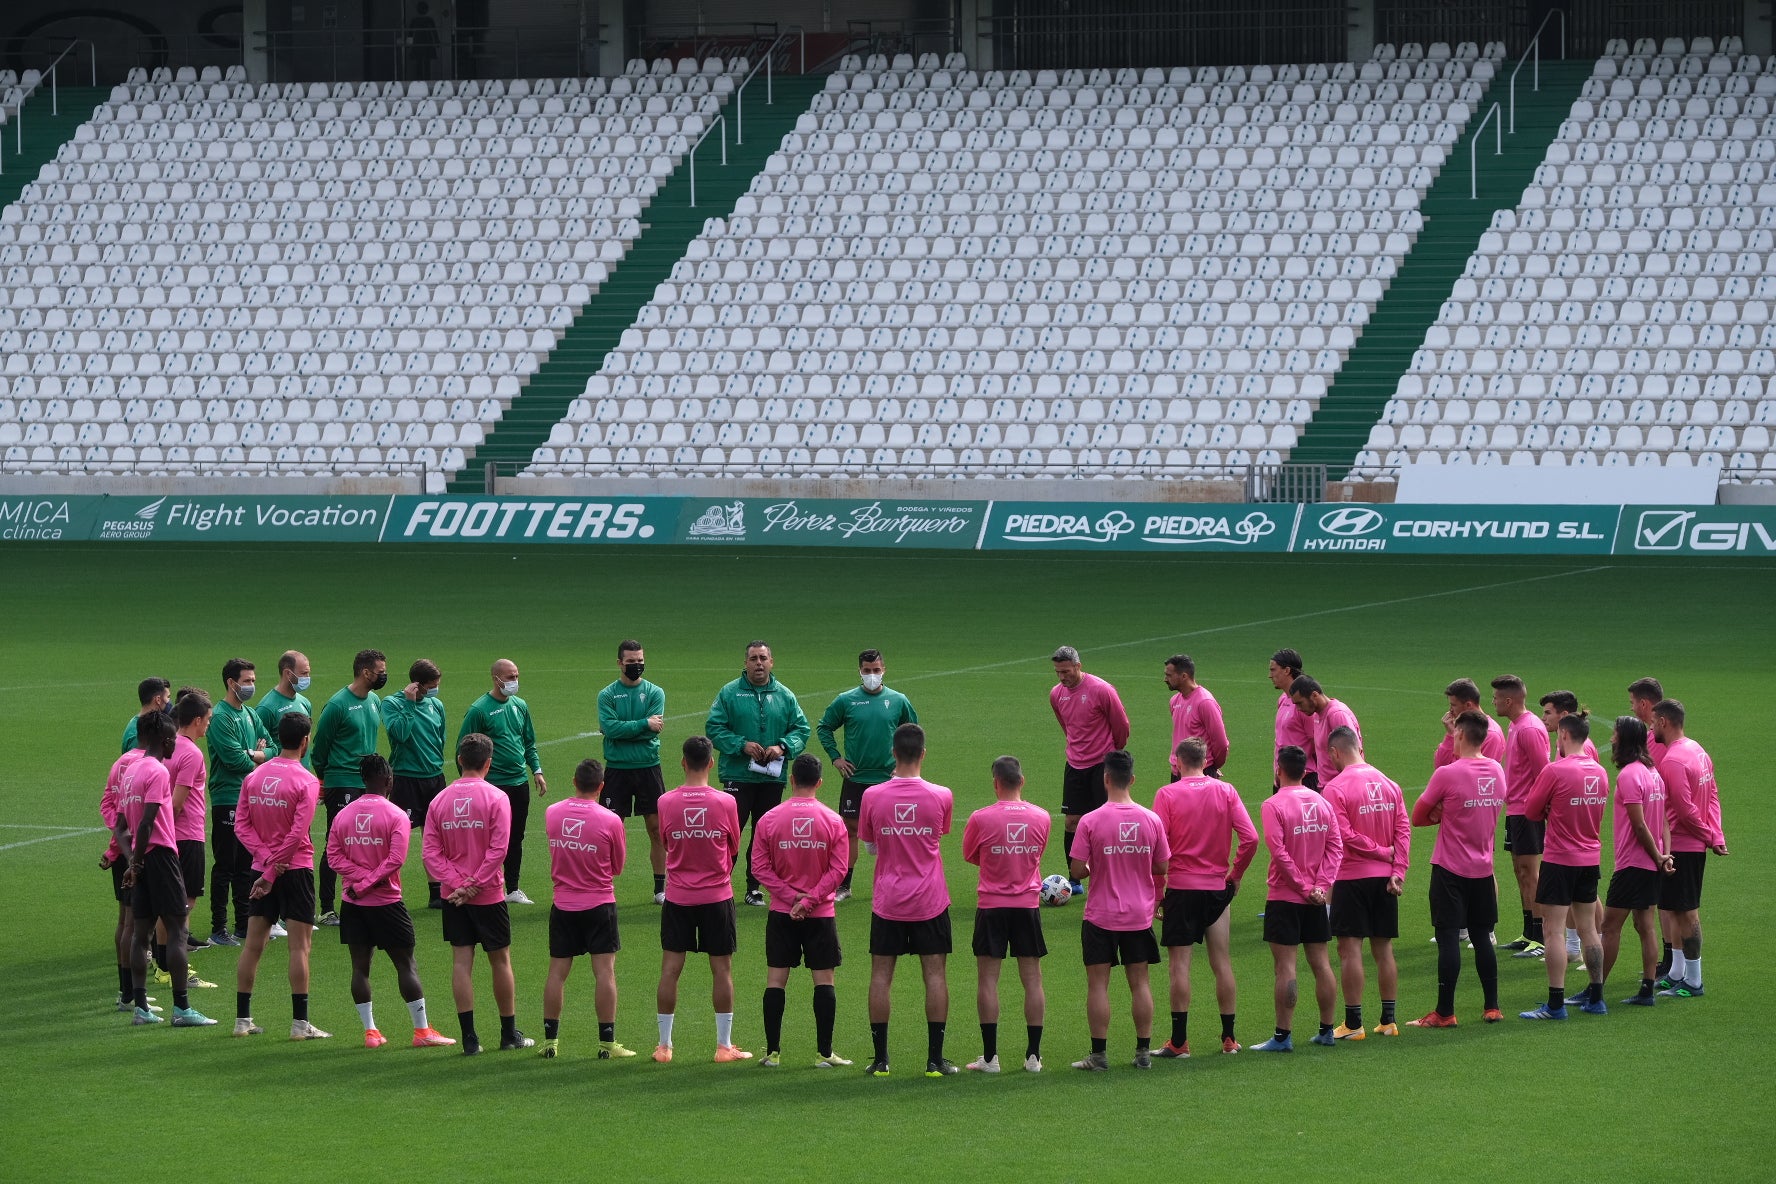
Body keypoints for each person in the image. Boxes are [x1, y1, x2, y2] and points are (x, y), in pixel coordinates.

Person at [324, 754, 455, 1049]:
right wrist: (370, 881)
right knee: (406, 965)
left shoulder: (343, 815)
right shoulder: (396, 815)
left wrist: (358, 881)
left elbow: (333, 857)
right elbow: (395, 859)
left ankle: (370, 1032)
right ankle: (422, 1032)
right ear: (388, 781)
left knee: (360, 968)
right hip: (386, 903)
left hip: (353, 903)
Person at [859, 722, 957, 1077]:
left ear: (893, 754)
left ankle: (881, 1060)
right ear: (923, 754)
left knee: (881, 976)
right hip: (930, 899)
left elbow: (870, 848)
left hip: (888, 900)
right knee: (934, 975)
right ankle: (934, 1060)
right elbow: (937, 837)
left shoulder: (872, 795)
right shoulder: (941, 795)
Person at [422, 733, 530, 1053]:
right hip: (488, 894)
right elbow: (499, 850)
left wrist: (457, 884)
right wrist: (474, 883)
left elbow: (430, 853)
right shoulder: (496, 797)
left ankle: (470, 1040)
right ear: (488, 763)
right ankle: (509, 1034)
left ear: (459, 760)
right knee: (500, 961)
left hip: (453, 896)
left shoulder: (439, 800)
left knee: (461, 962)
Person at [1153, 737, 1257, 1058]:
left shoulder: (1167, 794)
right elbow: (1251, 838)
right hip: (1215, 890)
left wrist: (1159, 893)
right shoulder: (1226, 791)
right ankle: (1229, 1039)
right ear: (1206, 760)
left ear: (1177, 762)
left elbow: (1158, 850)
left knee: (1179, 968)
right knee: (1221, 963)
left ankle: (1180, 1043)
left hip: (1182, 889)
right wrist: (1235, 876)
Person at [1067, 750, 1168, 1070]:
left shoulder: (1091, 820)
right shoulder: (1151, 819)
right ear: (1132, 780)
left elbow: (1077, 870)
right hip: (1139, 915)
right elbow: (1162, 864)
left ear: (1105, 778)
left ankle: (1098, 1055)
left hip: (1101, 915)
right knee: (1140, 983)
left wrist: (1100, 859)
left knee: (1098, 985)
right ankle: (1142, 1053)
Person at [114, 711, 216, 1027]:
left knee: (140, 932)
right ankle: (182, 1008)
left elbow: (120, 827)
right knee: (176, 930)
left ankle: (142, 1007)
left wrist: (132, 861)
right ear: (165, 739)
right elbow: (146, 823)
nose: (175, 746)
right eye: (172, 740)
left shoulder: (129, 772)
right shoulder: (157, 771)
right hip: (159, 857)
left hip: (141, 861)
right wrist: (141, 860)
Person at [750, 754, 851, 1068]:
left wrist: (791, 897)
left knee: (776, 980)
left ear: (791, 779)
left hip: (782, 913)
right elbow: (839, 871)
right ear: (819, 783)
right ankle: (824, 1053)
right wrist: (809, 901)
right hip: (820, 915)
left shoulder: (769, 819)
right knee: (824, 980)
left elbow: (759, 868)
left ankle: (773, 1053)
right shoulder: (833, 821)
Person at [654, 735, 749, 1064]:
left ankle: (664, 1046)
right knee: (721, 970)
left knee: (670, 970)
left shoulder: (666, 801)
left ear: (683, 762)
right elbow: (733, 846)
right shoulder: (726, 802)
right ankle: (724, 1046)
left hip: (678, 896)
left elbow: (666, 842)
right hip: (717, 896)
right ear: (711, 763)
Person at [1408, 710, 1506, 1027]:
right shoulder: (1497, 771)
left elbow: (1418, 816)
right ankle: (1492, 1006)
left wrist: (1442, 813)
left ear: (1460, 734)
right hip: (1483, 869)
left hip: (1450, 868)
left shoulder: (1447, 774)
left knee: (1449, 938)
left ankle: (1445, 1012)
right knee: (1482, 937)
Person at [233, 713, 327, 1039]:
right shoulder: (307, 781)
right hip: (294, 870)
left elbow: (241, 825)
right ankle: (300, 1025)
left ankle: (242, 1021)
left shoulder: (254, 776)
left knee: (253, 945)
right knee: (299, 949)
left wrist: (264, 860)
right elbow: (298, 833)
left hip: (260, 871)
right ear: (305, 741)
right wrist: (275, 868)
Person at [960, 754, 1050, 1073]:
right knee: (1033, 980)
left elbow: (972, 855)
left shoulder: (980, 818)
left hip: (992, 907)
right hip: (1027, 907)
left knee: (987, 980)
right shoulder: (1042, 817)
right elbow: (1036, 854)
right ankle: (1033, 1057)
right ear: (1021, 781)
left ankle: (990, 1058)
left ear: (995, 783)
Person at [1519, 713, 1610, 1020]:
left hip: (1560, 859)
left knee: (1553, 931)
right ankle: (1596, 997)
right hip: (1590, 858)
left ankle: (1555, 1004)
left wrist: (1551, 809)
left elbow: (1531, 811)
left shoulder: (1555, 771)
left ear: (1565, 736)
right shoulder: (1600, 772)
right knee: (1588, 929)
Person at [706, 641, 811, 907]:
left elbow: (801, 729)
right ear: (746, 663)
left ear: (771, 662)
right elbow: (714, 728)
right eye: (753, 658)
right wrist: (741, 744)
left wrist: (783, 746)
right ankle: (721, 884)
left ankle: (754, 887)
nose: (758, 663)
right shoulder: (729, 693)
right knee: (731, 833)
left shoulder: (785, 695)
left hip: (771, 778)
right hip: (737, 776)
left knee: (764, 835)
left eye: (763, 658)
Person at [1252, 746, 1343, 1051]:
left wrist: (1305, 887)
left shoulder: (1273, 804)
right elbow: (1335, 848)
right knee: (1322, 964)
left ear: (1278, 770)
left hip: (1285, 897)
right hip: (1316, 899)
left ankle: (1282, 1036)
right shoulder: (1322, 802)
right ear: (1306, 772)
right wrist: (1320, 886)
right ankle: (1327, 1030)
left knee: (1286, 969)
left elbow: (1279, 853)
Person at [540, 758, 631, 1060]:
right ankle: (607, 1044)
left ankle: (550, 1042)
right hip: (599, 904)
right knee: (604, 973)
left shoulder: (552, 813)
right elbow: (617, 867)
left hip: (563, 904)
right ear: (601, 786)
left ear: (574, 781)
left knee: (557, 973)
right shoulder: (610, 820)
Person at [1321, 727, 1408, 1039]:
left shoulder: (1335, 788)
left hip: (1352, 877)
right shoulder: (1389, 783)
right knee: (1384, 950)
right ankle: (1388, 1021)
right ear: (1360, 746)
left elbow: (1344, 835)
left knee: (1350, 950)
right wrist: (1398, 869)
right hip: (1385, 878)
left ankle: (1354, 1024)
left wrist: (1380, 851)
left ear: (1334, 753)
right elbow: (1404, 830)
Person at [818, 648, 918, 903]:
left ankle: (893, 882)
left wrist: (905, 765)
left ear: (884, 669)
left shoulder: (898, 700)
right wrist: (835, 757)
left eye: (876, 670)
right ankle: (845, 885)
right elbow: (824, 727)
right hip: (856, 777)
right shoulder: (846, 700)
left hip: (888, 779)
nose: (871, 675)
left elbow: (913, 733)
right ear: (859, 671)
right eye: (866, 671)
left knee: (891, 832)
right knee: (849, 830)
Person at [1652, 698, 1727, 999]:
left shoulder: (1672, 760)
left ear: (1664, 722)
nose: (1652, 727)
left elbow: (1685, 812)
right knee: (1673, 908)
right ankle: (1676, 973)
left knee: (1687, 913)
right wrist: (1716, 834)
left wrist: (1709, 837)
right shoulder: (1697, 749)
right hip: (1689, 843)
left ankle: (1694, 981)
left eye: (1654, 722)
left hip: (1683, 845)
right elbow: (1713, 796)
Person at [1598, 716, 1673, 1008]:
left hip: (1633, 864)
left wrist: (1657, 856)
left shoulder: (1630, 775)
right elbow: (1664, 821)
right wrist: (1664, 856)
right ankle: (1646, 990)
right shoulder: (1653, 773)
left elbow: (1640, 826)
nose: (1613, 739)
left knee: (1609, 926)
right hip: (1651, 863)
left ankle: (1595, 989)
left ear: (1625, 739)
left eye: (1616, 734)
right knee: (1645, 925)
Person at [457, 659, 546, 905]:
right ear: (496, 679)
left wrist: (536, 770)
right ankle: (482, 884)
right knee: (486, 838)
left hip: (518, 782)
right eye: (509, 677)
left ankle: (513, 888)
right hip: (492, 785)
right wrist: (469, 784)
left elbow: (529, 741)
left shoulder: (520, 705)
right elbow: (463, 748)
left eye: (516, 676)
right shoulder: (479, 710)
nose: (514, 682)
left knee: (515, 836)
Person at [312, 649, 387, 926]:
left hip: (367, 783)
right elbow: (320, 750)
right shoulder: (337, 705)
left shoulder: (374, 700)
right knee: (337, 843)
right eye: (380, 671)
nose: (383, 675)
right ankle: (327, 908)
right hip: (341, 781)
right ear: (365, 672)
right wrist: (328, 778)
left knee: (365, 842)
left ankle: (361, 896)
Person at [1049, 645, 1131, 895]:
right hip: (1075, 764)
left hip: (1101, 765)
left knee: (1106, 821)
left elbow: (1121, 726)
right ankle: (1074, 880)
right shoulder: (1056, 694)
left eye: (1066, 671)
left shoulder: (1101, 690)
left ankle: (1110, 875)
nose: (1062, 677)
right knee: (1072, 822)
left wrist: (1110, 754)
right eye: (1057, 672)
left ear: (1078, 666)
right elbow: (1067, 726)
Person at [206, 659, 272, 946]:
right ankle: (219, 928)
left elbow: (274, 748)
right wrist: (255, 755)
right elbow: (233, 760)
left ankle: (244, 924)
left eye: (253, 680)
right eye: (246, 681)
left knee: (247, 863)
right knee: (226, 864)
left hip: (250, 798)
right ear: (231, 683)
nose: (251, 686)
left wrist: (255, 754)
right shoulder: (220, 717)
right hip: (227, 798)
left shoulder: (250, 713)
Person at [597, 640, 668, 904]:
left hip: (648, 768)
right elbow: (610, 728)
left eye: (640, 660)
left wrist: (621, 730)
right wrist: (642, 725)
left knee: (656, 828)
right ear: (619, 663)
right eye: (631, 662)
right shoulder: (606, 695)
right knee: (611, 829)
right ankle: (604, 886)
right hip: (617, 769)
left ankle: (660, 889)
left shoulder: (655, 693)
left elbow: (647, 728)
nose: (636, 665)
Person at [1538, 690, 1601, 965]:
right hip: (1581, 838)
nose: (1544, 718)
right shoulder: (1564, 745)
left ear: (1564, 717)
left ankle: (1591, 943)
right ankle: (1579, 946)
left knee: (1584, 901)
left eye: (1548, 712)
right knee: (1582, 898)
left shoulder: (1581, 748)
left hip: (1571, 837)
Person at [1491, 674, 1549, 956]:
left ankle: (1541, 936)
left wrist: (1537, 810)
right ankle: (1529, 932)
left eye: (1496, 698)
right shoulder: (1516, 727)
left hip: (1528, 811)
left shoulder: (1529, 729)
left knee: (1532, 872)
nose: (1493, 702)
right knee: (1520, 870)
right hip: (1515, 808)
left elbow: (1543, 774)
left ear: (1509, 700)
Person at [384, 659, 447, 906]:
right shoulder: (392, 703)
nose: (435, 690)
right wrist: (409, 706)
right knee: (399, 837)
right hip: (406, 778)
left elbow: (440, 738)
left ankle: (436, 892)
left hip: (434, 778)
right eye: (432, 685)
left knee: (435, 837)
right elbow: (398, 734)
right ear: (417, 685)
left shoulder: (436, 705)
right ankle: (388, 889)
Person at [166, 691, 219, 983]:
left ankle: (163, 962)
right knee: (184, 902)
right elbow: (176, 803)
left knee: (170, 902)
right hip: (186, 835)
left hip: (170, 836)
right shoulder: (191, 752)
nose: (208, 725)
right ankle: (178, 966)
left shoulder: (167, 745)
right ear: (197, 720)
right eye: (208, 720)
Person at [102, 722, 152, 1013]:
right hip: (140, 849)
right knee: (136, 924)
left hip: (122, 848)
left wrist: (115, 845)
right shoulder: (147, 765)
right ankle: (132, 994)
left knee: (125, 920)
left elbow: (109, 804)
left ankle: (126, 993)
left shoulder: (120, 762)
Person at [1287, 675, 1362, 790]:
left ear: (1314, 695)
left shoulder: (1337, 714)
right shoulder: (1317, 714)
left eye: (1300, 703)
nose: (1298, 709)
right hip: (1327, 787)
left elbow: (1352, 755)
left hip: (1342, 788)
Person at [1164, 654, 1228, 778]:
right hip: (1178, 772)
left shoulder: (1205, 702)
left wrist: (1212, 766)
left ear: (1183, 676)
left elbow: (1221, 743)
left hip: (1200, 772)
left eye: (1169, 675)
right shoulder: (1174, 701)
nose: (1165, 679)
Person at [1267, 648, 1316, 791]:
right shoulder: (1283, 700)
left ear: (1287, 670)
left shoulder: (1303, 705)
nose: (1270, 675)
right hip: (1281, 778)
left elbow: (1316, 745)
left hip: (1303, 780)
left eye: (1273, 670)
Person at [256, 651, 314, 770]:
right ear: (288, 673)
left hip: (303, 775)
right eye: (304, 673)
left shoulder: (305, 702)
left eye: (308, 673)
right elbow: (259, 749)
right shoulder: (266, 708)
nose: (307, 678)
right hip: (279, 779)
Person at [1433, 678, 1504, 766]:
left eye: (1453, 705)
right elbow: (1440, 765)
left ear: (1468, 705)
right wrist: (1451, 735)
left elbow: (1480, 774)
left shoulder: (1491, 735)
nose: (1450, 710)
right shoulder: (1462, 727)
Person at [121, 677, 170, 753]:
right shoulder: (138, 734)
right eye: (168, 697)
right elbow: (138, 763)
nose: (169, 702)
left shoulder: (143, 724)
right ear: (158, 699)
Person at [1627, 677, 1667, 766]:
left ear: (1643, 704)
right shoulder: (1668, 731)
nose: (1631, 708)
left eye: (1632, 703)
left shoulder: (1656, 739)